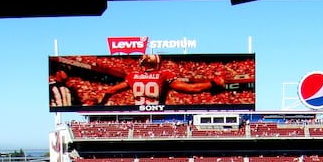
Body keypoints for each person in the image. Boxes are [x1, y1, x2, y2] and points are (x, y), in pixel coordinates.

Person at [97, 54, 228, 106]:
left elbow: (109, 91)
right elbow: (191, 88)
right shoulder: (163, 75)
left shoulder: (133, 76)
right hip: (157, 117)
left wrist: (101, 104)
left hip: (138, 118)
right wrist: (212, 84)